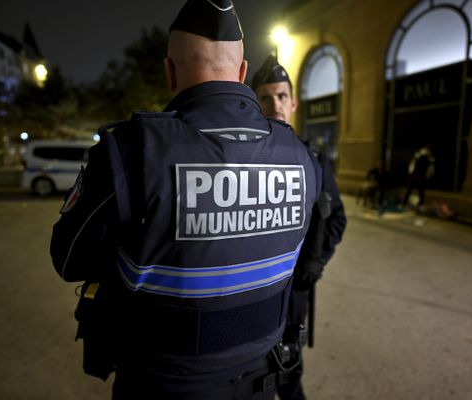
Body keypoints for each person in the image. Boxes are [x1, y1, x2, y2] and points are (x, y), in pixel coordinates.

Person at [50, 1, 321, 399]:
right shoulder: (299, 155)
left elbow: (69, 259)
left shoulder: (131, 151)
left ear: (169, 72)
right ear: (243, 72)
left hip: (161, 385)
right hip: (262, 381)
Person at [251, 55, 347, 400]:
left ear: (292, 102)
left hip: (294, 293)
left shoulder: (314, 159)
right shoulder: (243, 158)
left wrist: (317, 261)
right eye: (265, 97)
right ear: (255, 103)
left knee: (289, 373)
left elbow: (337, 217)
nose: (274, 104)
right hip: (254, 291)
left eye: (280, 96)